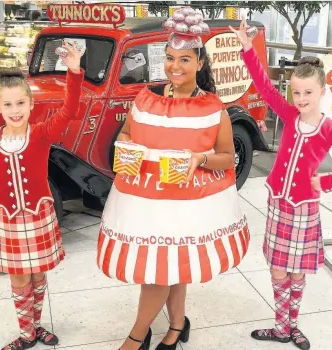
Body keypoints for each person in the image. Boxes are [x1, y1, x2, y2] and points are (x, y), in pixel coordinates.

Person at [96, 7, 250, 350]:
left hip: (187, 205)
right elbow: (124, 135)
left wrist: (199, 159)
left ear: (199, 64)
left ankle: (136, 337)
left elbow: (227, 157)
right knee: (165, 268)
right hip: (144, 201)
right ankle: (177, 325)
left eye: (184, 60)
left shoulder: (213, 108)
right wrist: (127, 149)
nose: (175, 67)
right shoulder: (145, 98)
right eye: (169, 58)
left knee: (161, 270)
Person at [230, 18, 332, 350]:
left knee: (296, 273)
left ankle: (291, 325)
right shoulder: (289, 115)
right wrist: (248, 48)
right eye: (296, 92)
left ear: (322, 91)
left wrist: (327, 180)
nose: (301, 98)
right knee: (278, 270)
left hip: (305, 209)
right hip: (279, 204)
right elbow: (264, 85)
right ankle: (282, 327)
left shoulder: (330, 129)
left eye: (308, 92)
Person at [0, 41, 85, 350]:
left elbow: (71, 109)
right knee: (19, 280)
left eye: (21, 103)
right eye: (8, 105)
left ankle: (36, 327)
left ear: (31, 104)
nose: (15, 110)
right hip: (9, 222)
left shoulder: (41, 133)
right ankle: (25, 335)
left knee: (37, 276)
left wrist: (74, 71)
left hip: (39, 217)